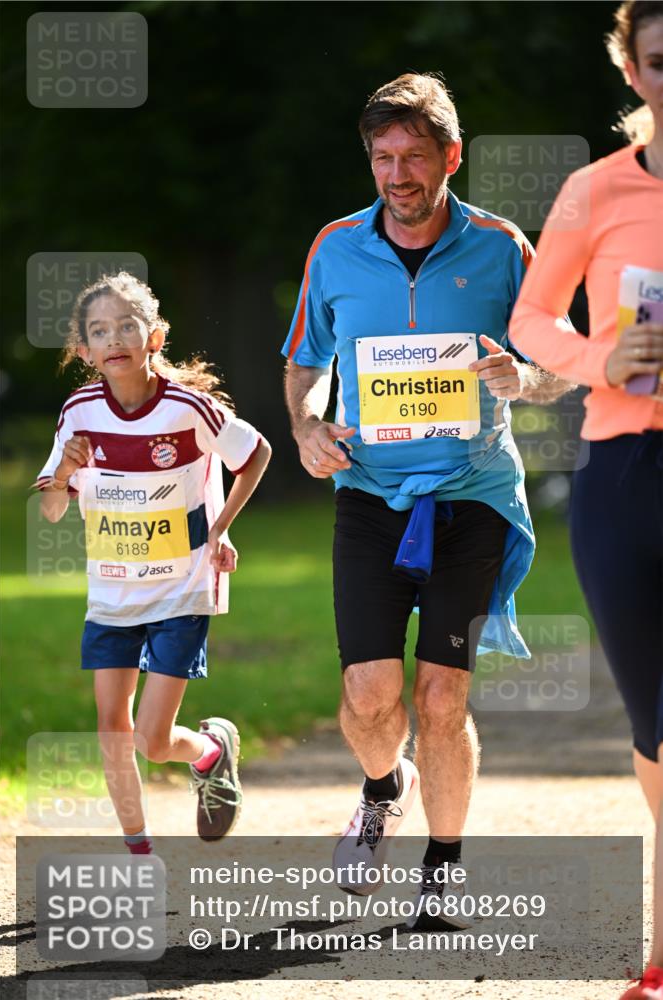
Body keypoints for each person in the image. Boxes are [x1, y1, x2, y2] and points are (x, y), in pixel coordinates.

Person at [281, 72, 571, 925]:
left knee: (442, 697)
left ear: (451, 156)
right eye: (382, 157)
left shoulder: (501, 247)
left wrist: (527, 378)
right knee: (371, 696)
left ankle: (441, 868)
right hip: (368, 493)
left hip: (472, 495)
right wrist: (305, 426)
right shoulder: (334, 247)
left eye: (414, 156)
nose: (398, 174)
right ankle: (383, 785)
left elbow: (561, 367)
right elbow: (304, 359)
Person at [508, 3, 663, 995]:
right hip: (618, 475)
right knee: (652, 726)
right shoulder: (592, 190)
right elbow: (529, 316)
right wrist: (595, 355)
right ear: (632, 69)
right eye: (658, 60)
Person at [37, 272, 271, 851]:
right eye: (98, 331)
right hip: (112, 595)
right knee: (111, 728)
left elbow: (256, 452)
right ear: (85, 351)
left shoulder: (188, 407)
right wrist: (65, 472)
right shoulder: (80, 411)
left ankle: (212, 751)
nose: (113, 338)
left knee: (151, 740)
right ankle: (138, 849)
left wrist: (219, 528)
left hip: (182, 590)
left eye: (126, 326)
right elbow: (49, 510)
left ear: (154, 337)